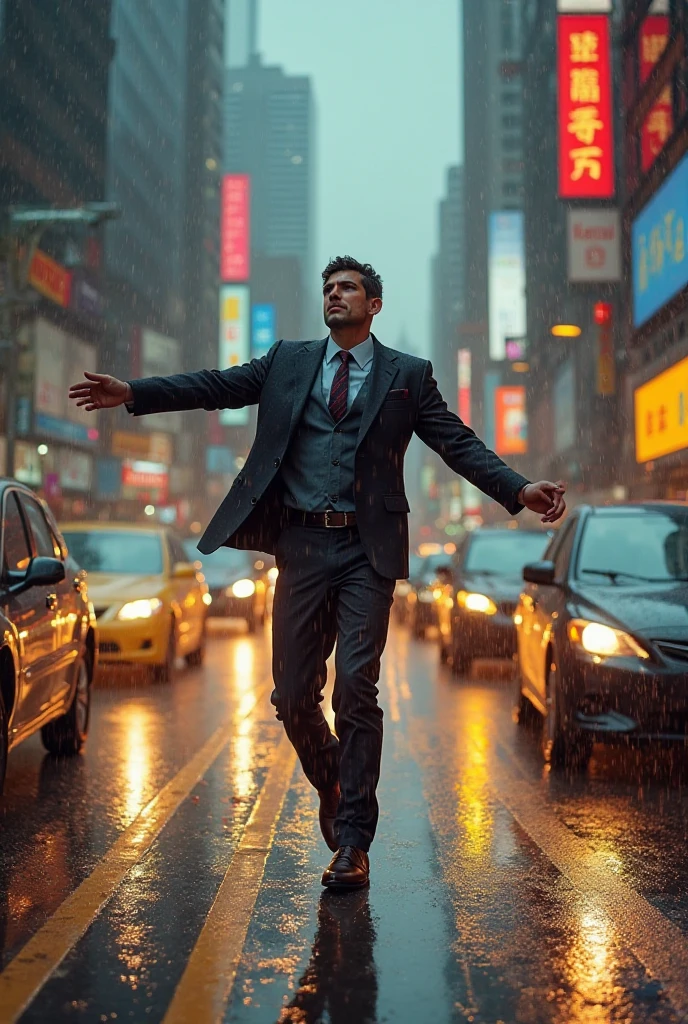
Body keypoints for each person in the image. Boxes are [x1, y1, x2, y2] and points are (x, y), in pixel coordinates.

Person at [69, 256, 566, 891]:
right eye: (329, 288)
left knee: (356, 687)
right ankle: (333, 775)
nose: (335, 295)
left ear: (373, 304)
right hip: (301, 546)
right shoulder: (288, 361)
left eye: (348, 288)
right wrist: (135, 393)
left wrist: (519, 489)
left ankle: (354, 840)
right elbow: (214, 386)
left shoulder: (407, 376)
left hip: (367, 551)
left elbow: (457, 443)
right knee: (292, 696)